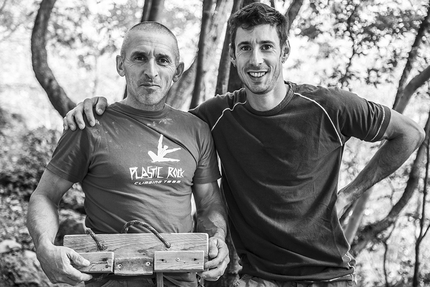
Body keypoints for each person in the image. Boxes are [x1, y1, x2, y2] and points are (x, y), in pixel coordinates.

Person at [63, 3, 425, 287]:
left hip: (328, 273)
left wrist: (349, 193)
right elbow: (152, 121)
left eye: (266, 47)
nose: (256, 60)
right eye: (245, 48)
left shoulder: (328, 106)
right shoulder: (215, 115)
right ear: (233, 56)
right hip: (253, 276)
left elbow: (409, 133)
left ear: (284, 51)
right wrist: (98, 107)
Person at [27, 21, 229, 287]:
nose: (151, 71)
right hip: (111, 278)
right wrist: (44, 247)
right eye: (140, 58)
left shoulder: (196, 130)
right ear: (121, 65)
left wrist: (218, 239)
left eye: (163, 60)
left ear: (177, 71)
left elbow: (209, 203)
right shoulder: (89, 126)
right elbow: (45, 195)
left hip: (181, 278)